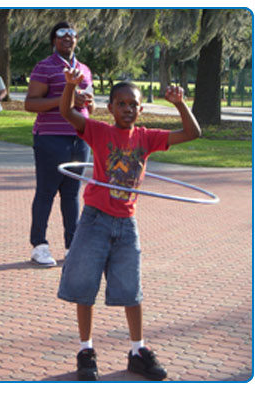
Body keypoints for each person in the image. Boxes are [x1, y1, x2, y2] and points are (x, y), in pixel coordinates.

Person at [57, 68, 202, 381]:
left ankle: (138, 350)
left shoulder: (147, 137)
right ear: (110, 108)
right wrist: (70, 86)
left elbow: (193, 134)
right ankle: (86, 349)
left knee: (131, 288)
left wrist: (180, 104)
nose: (127, 109)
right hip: (95, 218)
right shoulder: (98, 131)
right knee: (84, 285)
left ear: (141, 108)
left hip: (126, 222)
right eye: (121, 104)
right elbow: (67, 111)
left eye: (133, 104)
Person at [25, 22, 95, 267]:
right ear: (54, 39)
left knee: (72, 194)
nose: (69, 38)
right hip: (50, 137)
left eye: (73, 34)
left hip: (80, 137)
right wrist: (66, 98)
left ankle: (72, 245)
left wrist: (86, 102)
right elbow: (31, 103)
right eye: (63, 34)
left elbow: (88, 105)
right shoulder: (45, 67)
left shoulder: (84, 69)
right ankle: (39, 245)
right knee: (46, 192)